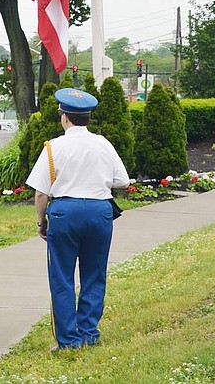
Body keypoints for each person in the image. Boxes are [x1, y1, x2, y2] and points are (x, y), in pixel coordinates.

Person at [26, 88, 130, 351]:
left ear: (64, 117)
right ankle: (88, 332)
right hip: (99, 211)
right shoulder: (103, 143)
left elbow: (40, 193)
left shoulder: (54, 147)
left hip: (65, 212)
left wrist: (41, 223)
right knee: (94, 273)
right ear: (87, 117)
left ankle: (68, 340)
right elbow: (123, 181)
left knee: (62, 276)